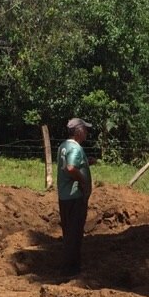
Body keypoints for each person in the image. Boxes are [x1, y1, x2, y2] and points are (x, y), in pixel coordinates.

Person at [56, 118, 93, 275]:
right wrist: (83, 181)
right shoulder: (76, 149)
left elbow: (67, 165)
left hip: (64, 196)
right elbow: (70, 168)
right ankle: (71, 269)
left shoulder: (63, 146)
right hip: (75, 196)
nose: (86, 132)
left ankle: (68, 265)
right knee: (75, 233)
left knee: (68, 231)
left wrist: (86, 163)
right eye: (84, 129)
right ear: (78, 131)